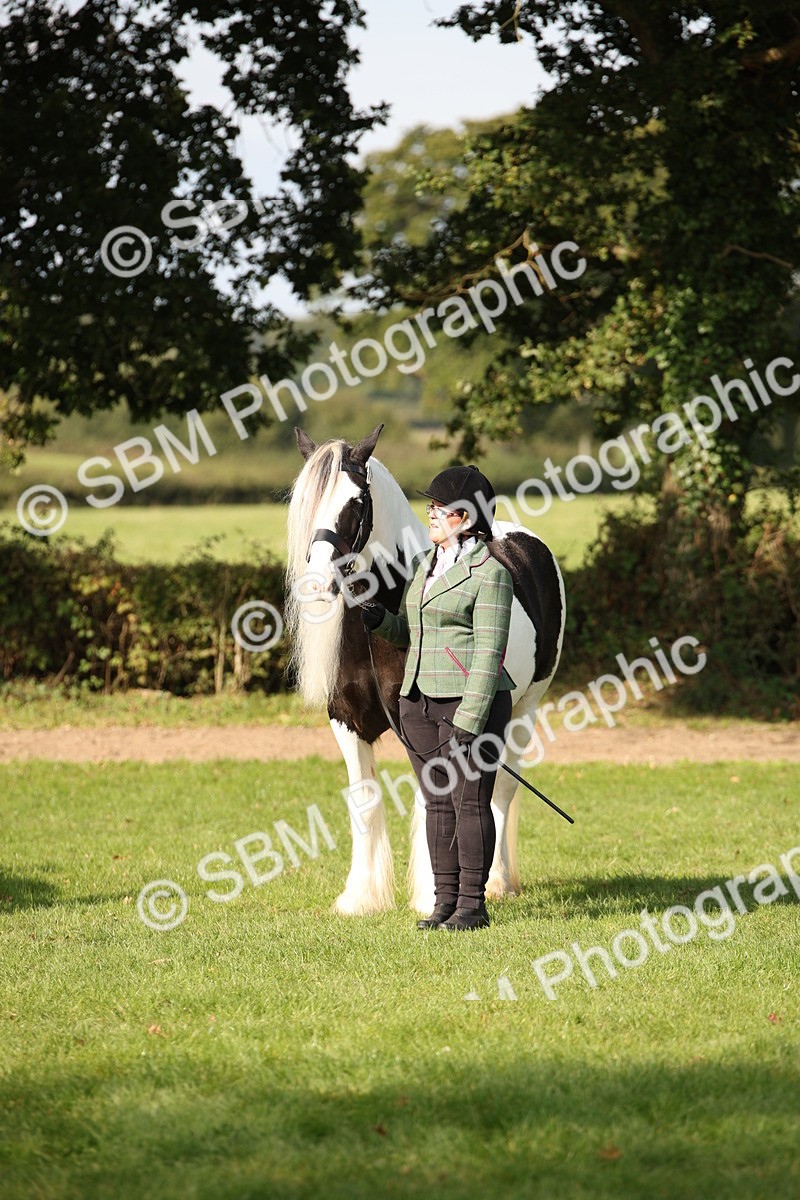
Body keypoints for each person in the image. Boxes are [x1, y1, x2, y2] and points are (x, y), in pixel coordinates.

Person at [361, 465, 515, 931]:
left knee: (470, 802)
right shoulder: (425, 566)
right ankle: (444, 902)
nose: (429, 513)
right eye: (429, 505)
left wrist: (471, 717)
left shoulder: (491, 573)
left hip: (472, 704)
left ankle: (473, 905)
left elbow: (490, 651)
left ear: (466, 519)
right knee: (436, 803)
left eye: (439, 508)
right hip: (419, 701)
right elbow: (411, 632)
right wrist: (377, 620)